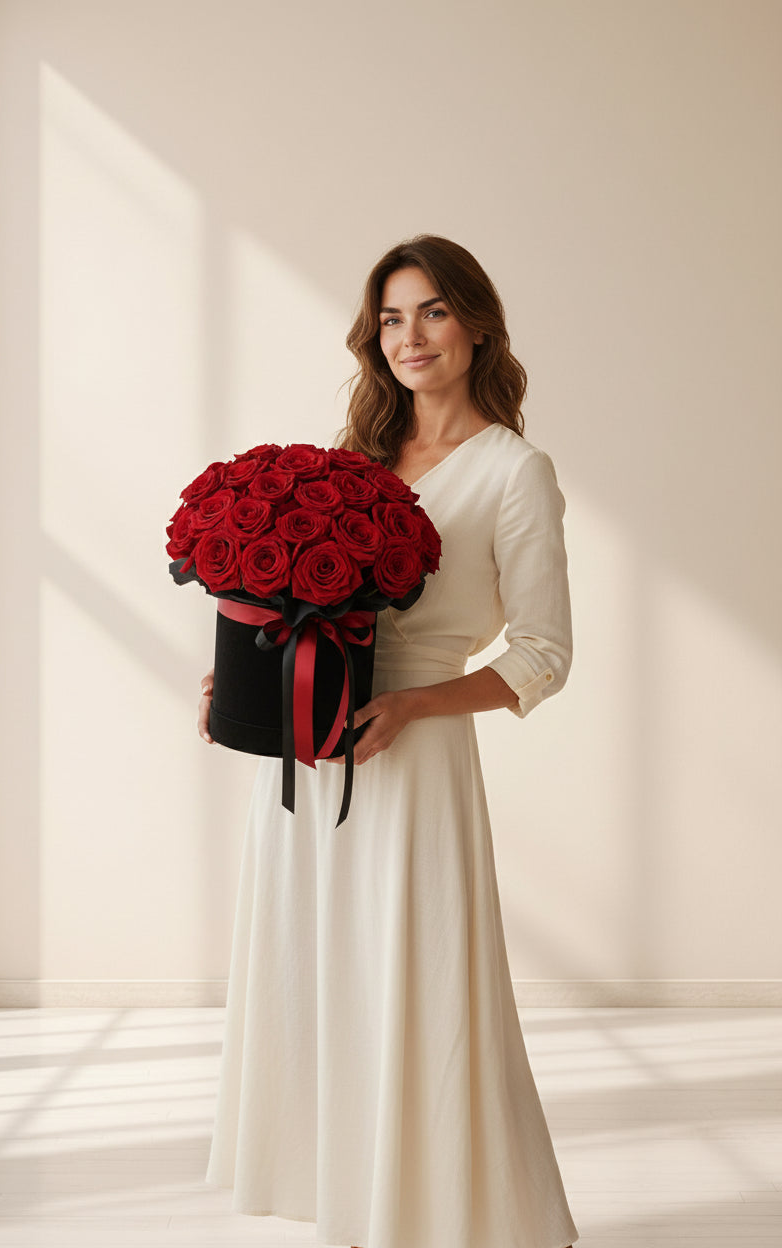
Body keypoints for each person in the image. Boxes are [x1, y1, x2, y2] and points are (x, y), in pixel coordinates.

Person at [200, 234, 579, 1248]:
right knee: (319, 975)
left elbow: (544, 654)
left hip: (412, 764)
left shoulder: (513, 471)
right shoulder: (352, 459)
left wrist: (413, 707)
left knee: (414, 988)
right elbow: (296, 613)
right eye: (391, 317)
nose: (409, 336)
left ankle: (455, 1213)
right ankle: (350, 1198)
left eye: (434, 312)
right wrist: (243, 678)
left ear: (477, 324)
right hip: (309, 758)